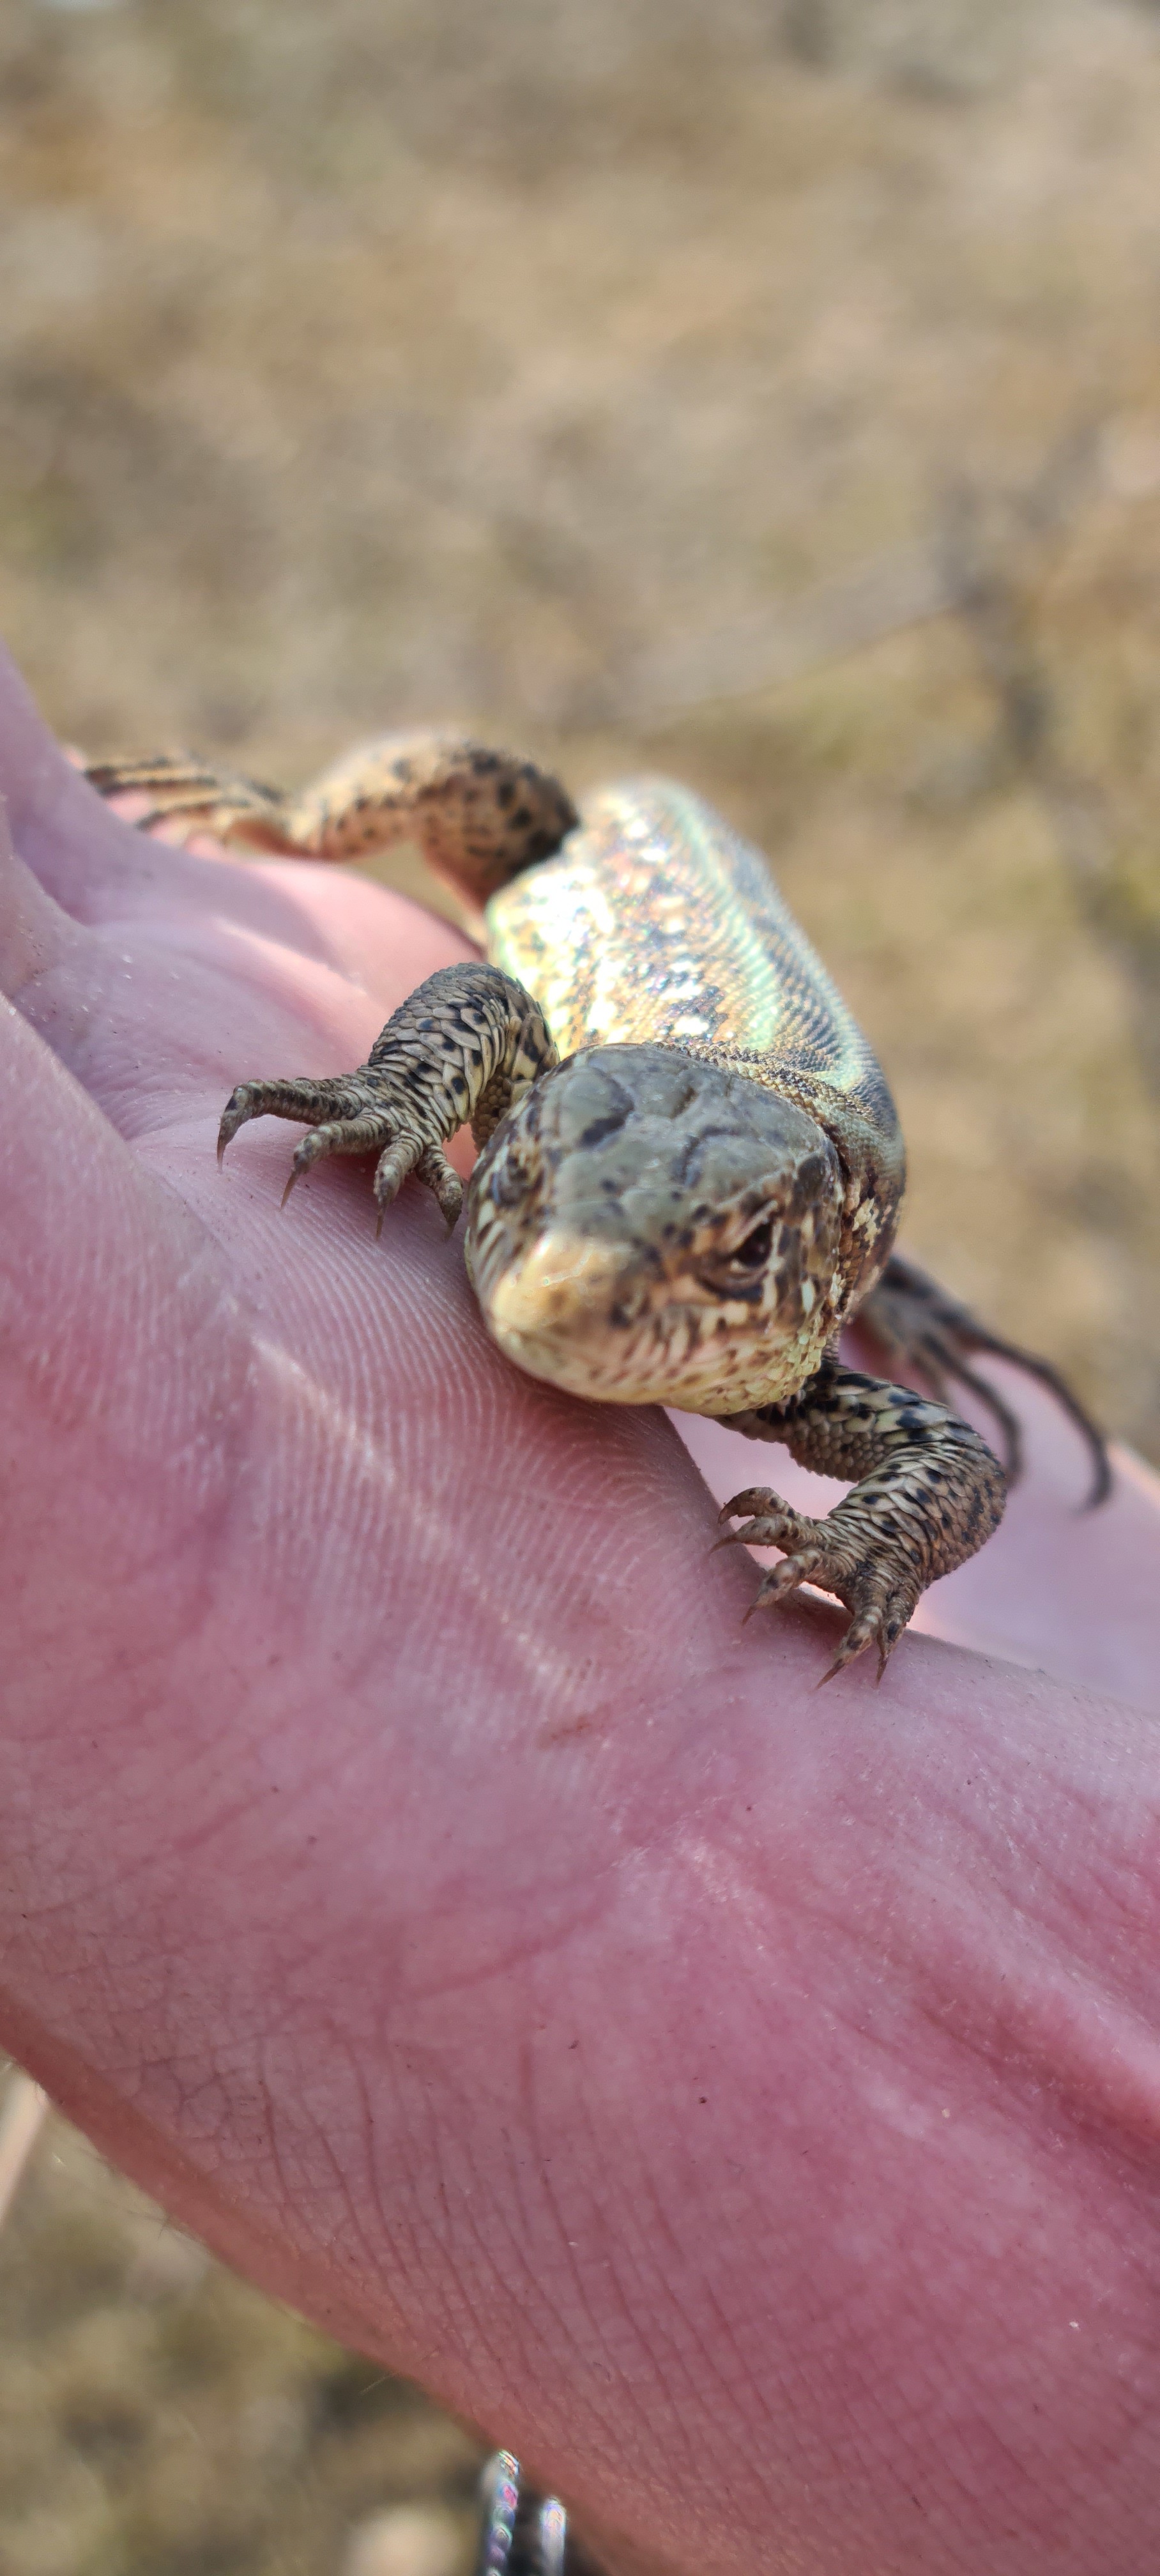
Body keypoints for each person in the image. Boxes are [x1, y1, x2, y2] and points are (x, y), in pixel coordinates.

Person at [3, 640, 1160, 2575]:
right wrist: (333, 915)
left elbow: (939, 1471)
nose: (553, 1299)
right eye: (513, 1204)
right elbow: (475, 980)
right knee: (473, 801)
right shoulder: (559, 1124)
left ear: (792, 1273)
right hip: (607, 880)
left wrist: (864, 1561)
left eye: (692, 1278)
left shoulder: (792, 1312)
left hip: (741, 1077)